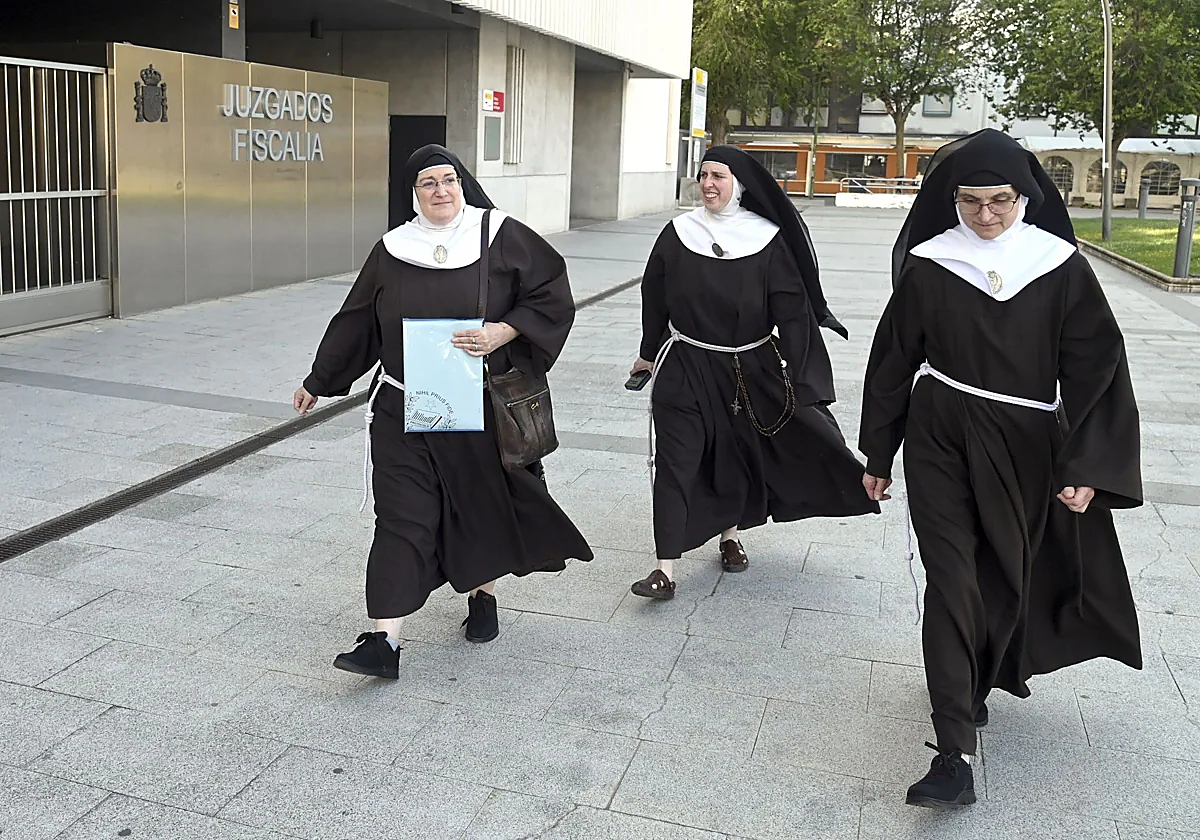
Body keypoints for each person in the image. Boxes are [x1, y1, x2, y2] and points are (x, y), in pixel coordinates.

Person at [860, 129, 1143, 809]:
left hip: (1027, 442)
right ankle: (952, 751)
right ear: (949, 200)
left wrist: (1087, 464)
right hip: (941, 434)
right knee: (951, 577)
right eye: (970, 202)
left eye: (1000, 202)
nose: (985, 216)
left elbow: (1096, 368)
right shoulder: (932, 265)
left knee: (1001, 575)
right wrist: (879, 451)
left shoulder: (1060, 268)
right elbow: (895, 359)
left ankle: (977, 677)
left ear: (1026, 198)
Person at [293, 144, 593, 679]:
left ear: (463, 184)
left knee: (481, 505)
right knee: (401, 518)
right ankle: (385, 641)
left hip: (475, 404)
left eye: (448, 180)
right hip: (404, 403)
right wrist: (321, 379)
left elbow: (550, 292)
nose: (440, 191)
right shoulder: (392, 249)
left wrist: (503, 330)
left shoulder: (498, 234)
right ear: (413, 194)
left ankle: (483, 596)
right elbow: (359, 319)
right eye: (428, 183)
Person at [628, 145, 879, 600]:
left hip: (749, 367)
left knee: (735, 453)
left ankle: (730, 535)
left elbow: (793, 314)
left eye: (719, 176)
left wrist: (805, 382)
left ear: (739, 184)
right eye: (703, 175)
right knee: (675, 461)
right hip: (686, 363)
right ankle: (664, 568)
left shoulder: (766, 238)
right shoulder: (677, 232)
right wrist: (649, 353)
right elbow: (654, 297)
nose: (708, 184)